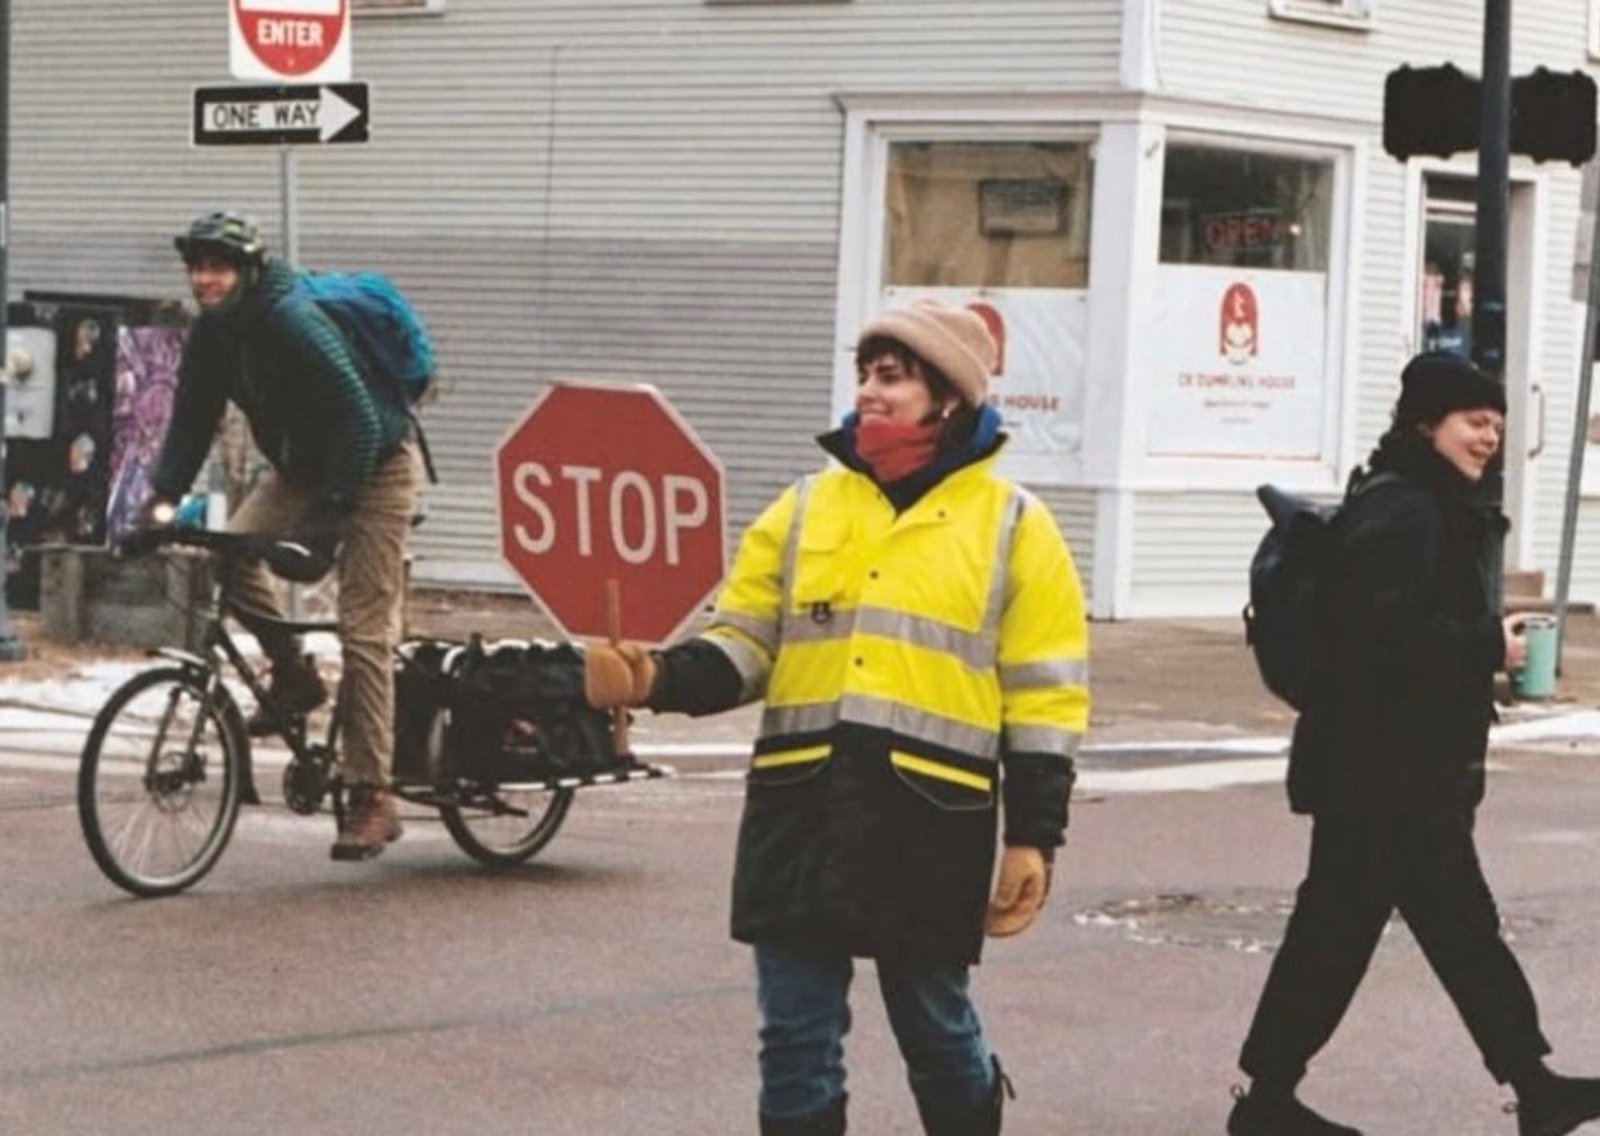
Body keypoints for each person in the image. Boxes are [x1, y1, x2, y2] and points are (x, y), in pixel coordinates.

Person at [584, 298, 1090, 1136]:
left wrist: (1034, 836)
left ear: (950, 397)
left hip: (929, 822)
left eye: (893, 376)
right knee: (795, 1041)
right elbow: (743, 645)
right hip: (802, 813)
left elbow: (1045, 699)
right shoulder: (804, 509)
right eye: (865, 374)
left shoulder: (1014, 528)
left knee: (934, 1030)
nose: (871, 392)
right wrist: (654, 676)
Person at [1227, 352, 1600, 1136]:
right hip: (1384, 774)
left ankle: (1531, 1087)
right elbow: (1376, 641)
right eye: (1474, 421)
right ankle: (1271, 1101)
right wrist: (1482, 646)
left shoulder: (1426, 501)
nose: (1489, 436)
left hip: (1391, 770)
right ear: (1426, 423)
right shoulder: (1405, 510)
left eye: (1497, 423)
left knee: (1399, 931)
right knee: (1395, 932)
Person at [145, 210, 424, 863]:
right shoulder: (215, 333)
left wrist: (331, 515)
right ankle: (294, 676)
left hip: (377, 465)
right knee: (230, 553)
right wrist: (158, 498)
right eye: (197, 267)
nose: (205, 280)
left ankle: (371, 796)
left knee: (363, 633)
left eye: (218, 267)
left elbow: (359, 419)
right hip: (301, 470)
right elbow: (191, 417)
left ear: (247, 269)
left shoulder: (291, 321)